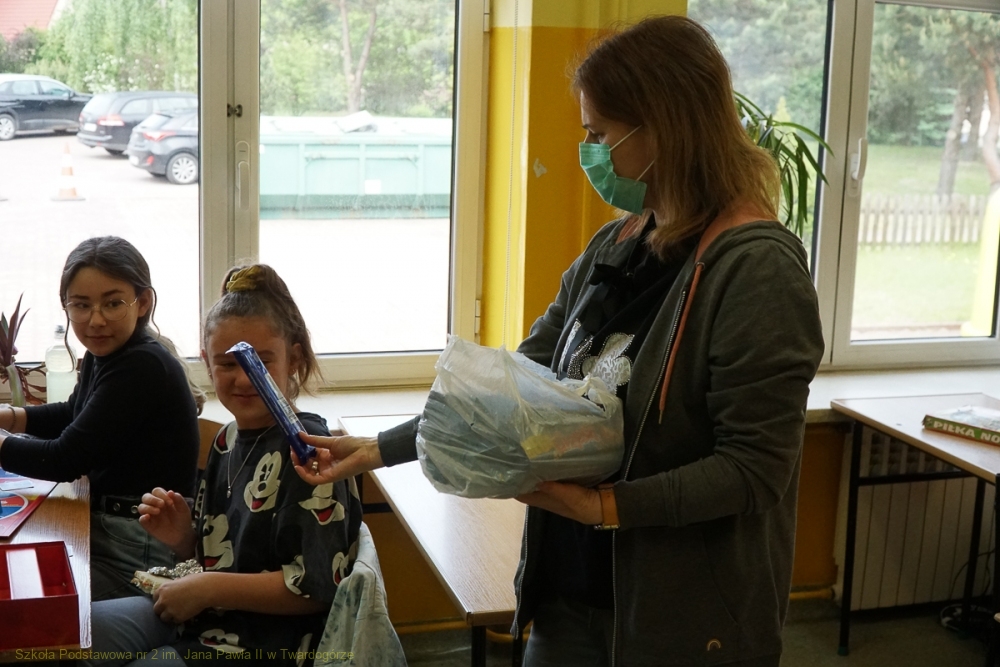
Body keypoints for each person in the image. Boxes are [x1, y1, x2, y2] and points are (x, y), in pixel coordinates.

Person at [294, 14, 825, 667]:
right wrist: (381, 447)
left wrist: (603, 506)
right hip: (570, 595)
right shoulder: (618, 243)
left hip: (681, 618)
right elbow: (522, 384)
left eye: (600, 134)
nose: (590, 152)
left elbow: (752, 471)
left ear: (664, 127)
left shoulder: (756, 270)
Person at [84, 264, 362, 667]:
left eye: (260, 362)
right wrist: (185, 538)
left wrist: (207, 588)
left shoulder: (310, 451)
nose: (244, 380)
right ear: (207, 362)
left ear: (294, 358)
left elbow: (316, 589)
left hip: (266, 643)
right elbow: (227, 555)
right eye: (228, 364)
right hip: (208, 617)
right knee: (67, 634)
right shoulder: (224, 440)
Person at [0, 236, 202, 601]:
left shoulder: (141, 365)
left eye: (113, 303)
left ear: (143, 302)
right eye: (81, 305)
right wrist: (11, 417)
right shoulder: (106, 351)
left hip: (138, 550)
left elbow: (65, 459)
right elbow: (73, 413)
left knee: (25, 603)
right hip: (109, 529)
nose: (95, 320)